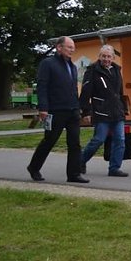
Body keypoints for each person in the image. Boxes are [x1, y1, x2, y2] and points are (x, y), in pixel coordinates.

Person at [26, 36, 88, 183]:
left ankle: (74, 174)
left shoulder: (72, 67)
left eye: (73, 48)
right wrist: (43, 108)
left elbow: (73, 88)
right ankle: (34, 167)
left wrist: (78, 108)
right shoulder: (48, 64)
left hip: (72, 110)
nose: (72, 50)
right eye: (69, 47)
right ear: (59, 47)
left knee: (75, 142)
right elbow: (42, 87)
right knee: (50, 140)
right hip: (55, 110)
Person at [79, 45, 130, 177]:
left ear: (113, 57)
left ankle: (114, 168)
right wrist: (85, 112)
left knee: (120, 140)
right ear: (99, 56)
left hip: (117, 112)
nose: (106, 59)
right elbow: (86, 92)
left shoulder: (116, 70)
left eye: (109, 56)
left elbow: (120, 92)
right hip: (101, 112)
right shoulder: (92, 70)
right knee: (98, 140)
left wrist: (123, 108)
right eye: (103, 56)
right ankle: (80, 161)